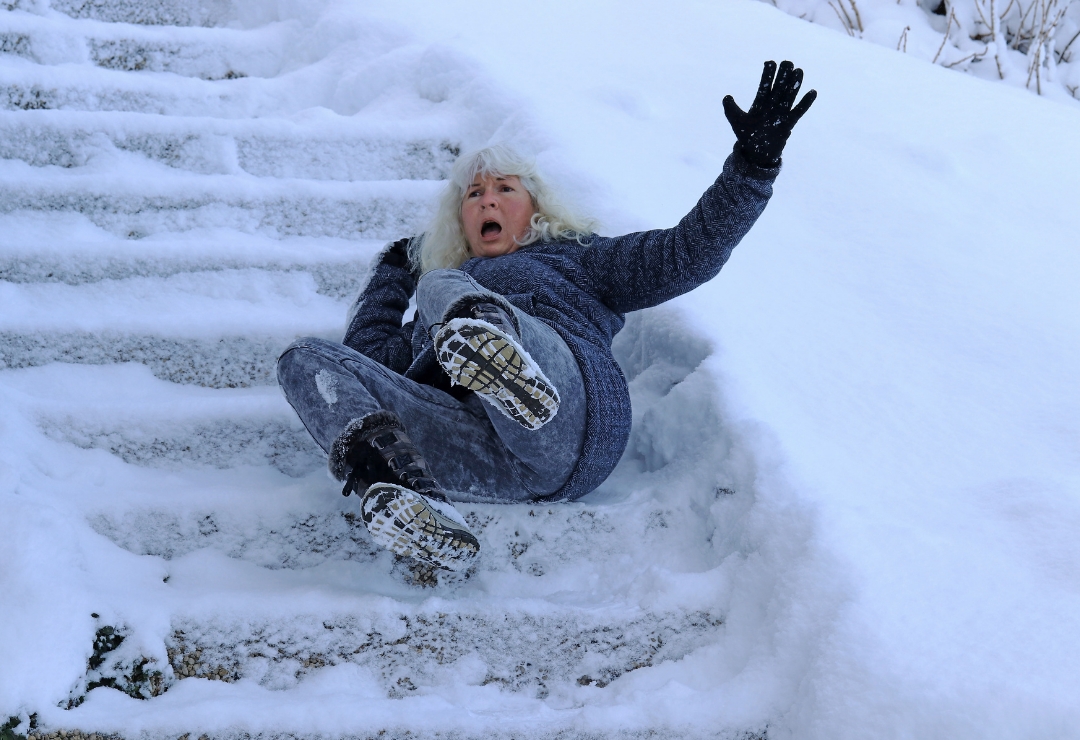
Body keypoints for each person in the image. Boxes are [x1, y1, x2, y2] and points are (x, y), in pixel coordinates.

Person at [276, 60, 816, 571]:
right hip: (481, 456)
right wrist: (395, 271)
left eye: (504, 189)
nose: (487, 201)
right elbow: (366, 362)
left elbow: (686, 253)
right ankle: (406, 495)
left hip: (569, 423)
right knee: (304, 359)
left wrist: (752, 167)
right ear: (459, 220)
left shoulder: (578, 258)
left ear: (535, 208)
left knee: (447, 284)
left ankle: (504, 364)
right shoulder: (430, 312)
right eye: (473, 194)